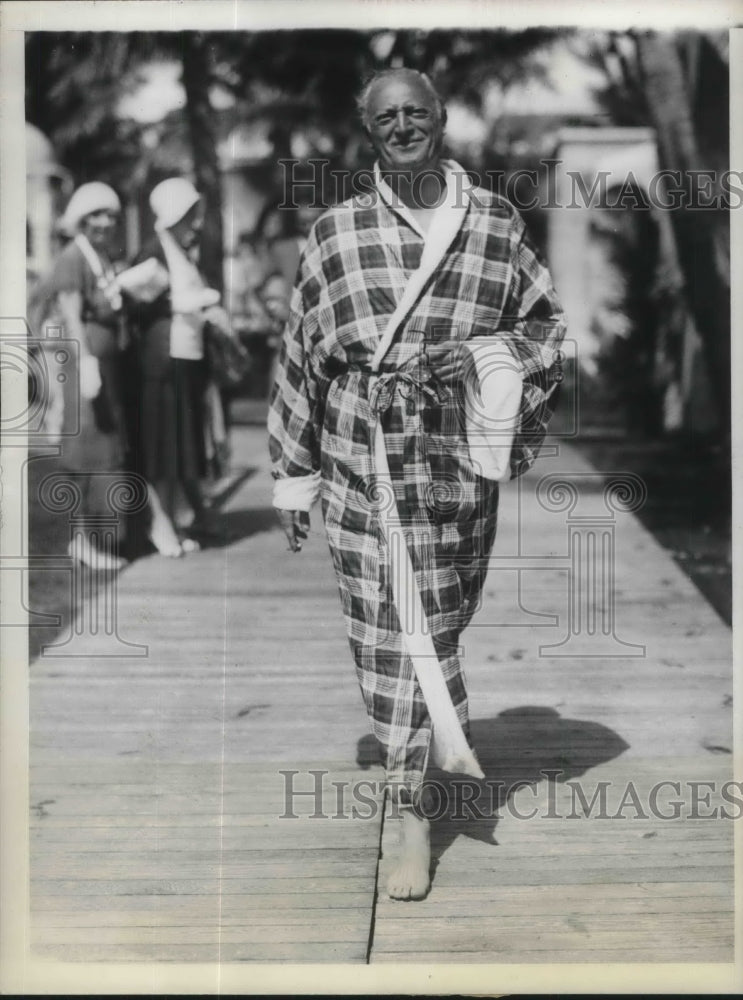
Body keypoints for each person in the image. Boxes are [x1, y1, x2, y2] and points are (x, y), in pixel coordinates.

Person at [268, 69, 566, 900]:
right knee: (389, 629)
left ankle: (422, 756)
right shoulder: (334, 231)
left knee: (437, 619)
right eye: (385, 116)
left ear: (440, 121)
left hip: (455, 457)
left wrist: (478, 356)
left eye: (416, 113)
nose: (403, 126)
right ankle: (409, 809)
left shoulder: (495, 225)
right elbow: (301, 354)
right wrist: (293, 473)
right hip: (360, 450)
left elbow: (547, 331)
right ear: (367, 131)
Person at [126, 177, 227, 557]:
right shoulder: (153, 252)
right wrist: (178, 302)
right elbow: (135, 307)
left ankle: (174, 517)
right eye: (189, 216)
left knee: (179, 446)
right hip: (163, 363)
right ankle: (160, 523)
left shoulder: (181, 252)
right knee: (160, 447)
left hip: (187, 361)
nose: (196, 224)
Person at [48, 181, 129, 570]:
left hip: (105, 365)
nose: (105, 223)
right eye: (97, 214)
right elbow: (71, 312)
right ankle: (80, 538)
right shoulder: (72, 257)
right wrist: (86, 362)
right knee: (82, 449)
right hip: (85, 366)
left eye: (111, 215)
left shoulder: (100, 256)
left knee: (102, 450)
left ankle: (95, 536)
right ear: (81, 219)